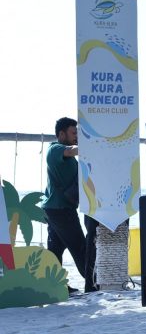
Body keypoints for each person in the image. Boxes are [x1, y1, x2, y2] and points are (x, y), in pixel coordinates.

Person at [41, 117, 97, 293]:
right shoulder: (55, 149)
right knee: (80, 247)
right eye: (73, 133)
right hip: (60, 210)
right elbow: (72, 150)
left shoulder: (65, 155)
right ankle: (93, 283)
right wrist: (95, 145)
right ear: (61, 134)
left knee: (55, 249)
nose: (76, 136)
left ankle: (55, 286)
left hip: (56, 209)